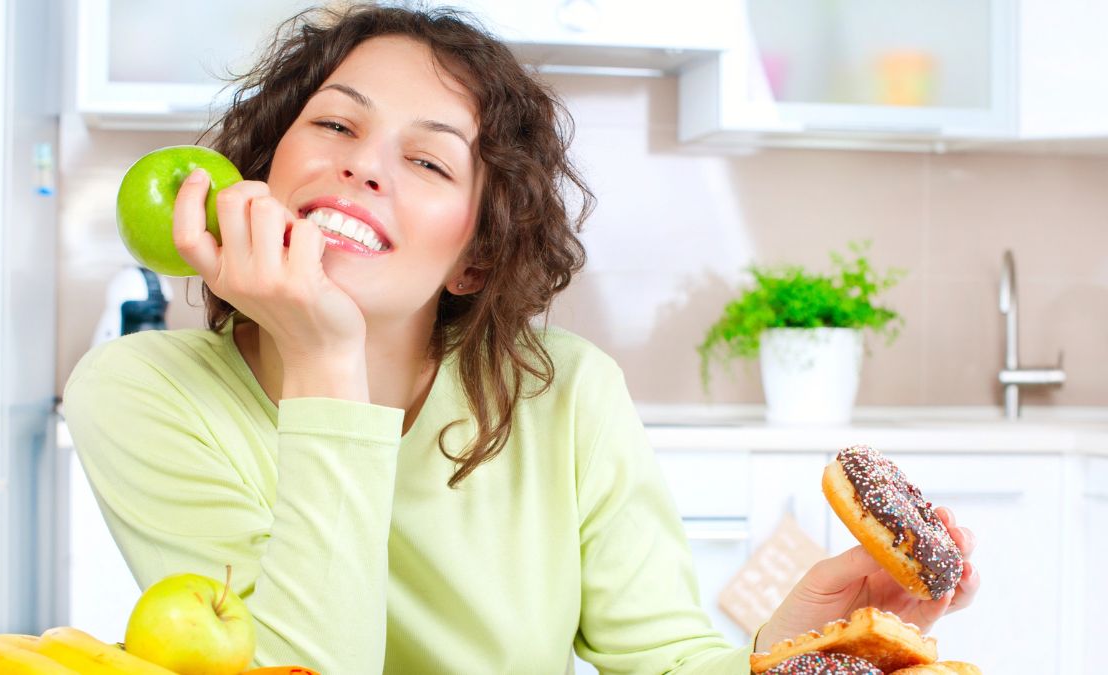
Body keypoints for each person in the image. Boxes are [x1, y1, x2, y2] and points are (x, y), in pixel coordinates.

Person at [63, 5, 979, 674]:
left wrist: (785, 648)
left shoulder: (567, 392)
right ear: (255, 179)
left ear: (473, 260)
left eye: (426, 159)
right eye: (335, 124)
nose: (361, 162)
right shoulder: (143, 391)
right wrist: (322, 360)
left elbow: (660, 655)